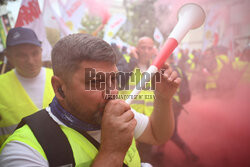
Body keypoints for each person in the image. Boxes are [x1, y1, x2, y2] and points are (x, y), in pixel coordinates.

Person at [0, 33, 181, 166]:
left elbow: (158, 134)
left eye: (113, 79)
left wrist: (163, 99)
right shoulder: (23, 151)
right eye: (95, 82)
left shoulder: (115, 112)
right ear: (60, 89)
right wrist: (112, 152)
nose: (112, 92)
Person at [0, 27, 54, 145]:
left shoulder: (58, 78)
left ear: (41, 51)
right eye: (21, 55)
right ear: (9, 57)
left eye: (35, 53)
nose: (30, 61)